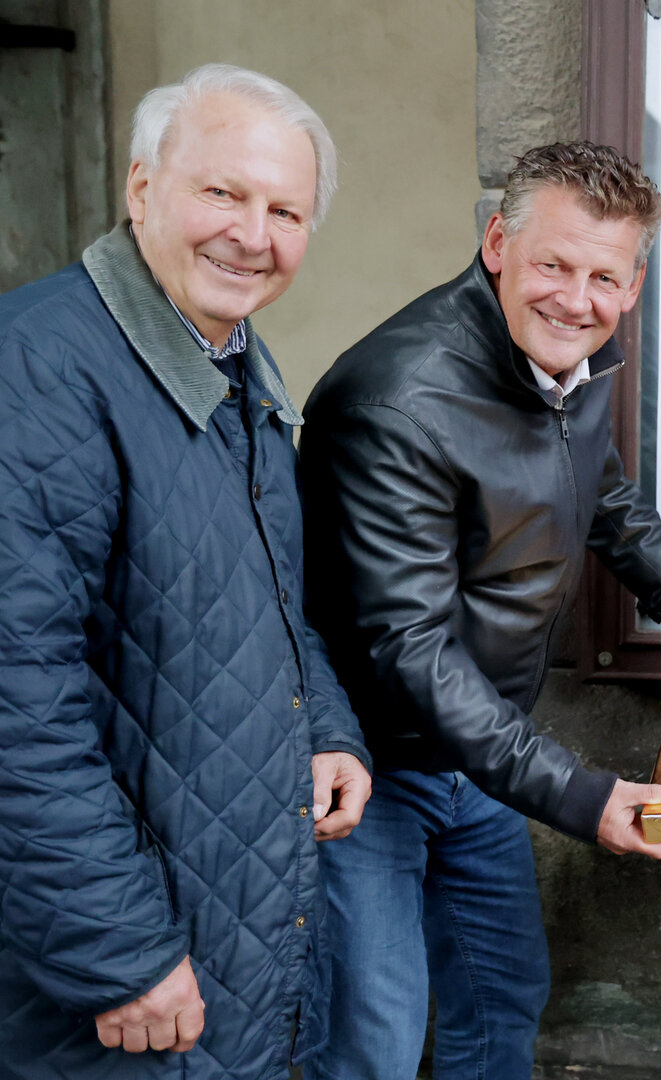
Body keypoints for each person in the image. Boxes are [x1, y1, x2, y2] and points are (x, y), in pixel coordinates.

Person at [299, 140, 661, 1078]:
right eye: (553, 263)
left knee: (501, 1005)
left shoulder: (575, 354)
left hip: (483, 756)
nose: (576, 298)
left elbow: (602, 488)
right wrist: (580, 794)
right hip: (370, 761)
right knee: (373, 1041)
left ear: (634, 286)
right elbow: (409, 649)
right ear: (498, 243)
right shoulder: (396, 403)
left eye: (604, 276)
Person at [0, 65, 371, 1077]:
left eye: (285, 210)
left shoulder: (236, 358)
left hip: (232, 939)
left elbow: (266, 600)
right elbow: (17, 704)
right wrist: (117, 955)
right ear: (140, 188)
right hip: (124, 976)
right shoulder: (38, 371)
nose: (254, 235)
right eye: (223, 193)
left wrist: (328, 726)